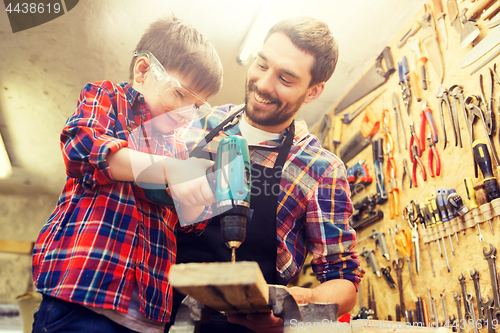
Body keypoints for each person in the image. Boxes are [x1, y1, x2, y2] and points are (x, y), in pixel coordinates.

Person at [170, 16, 364, 333]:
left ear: (314, 91)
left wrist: (297, 312)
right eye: (261, 64)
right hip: (156, 314)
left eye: (285, 79)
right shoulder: (199, 123)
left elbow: (344, 285)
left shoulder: (320, 169)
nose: (263, 84)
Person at [31, 15, 222, 333]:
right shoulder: (107, 98)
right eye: (178, 94)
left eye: (196, 106)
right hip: (83, 298)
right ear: (144, 70)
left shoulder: (178, 149)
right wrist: (171, 170)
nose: (184, 114)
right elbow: (83, 147)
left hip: (147, 318)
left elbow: (192, 222)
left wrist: (202, 188)